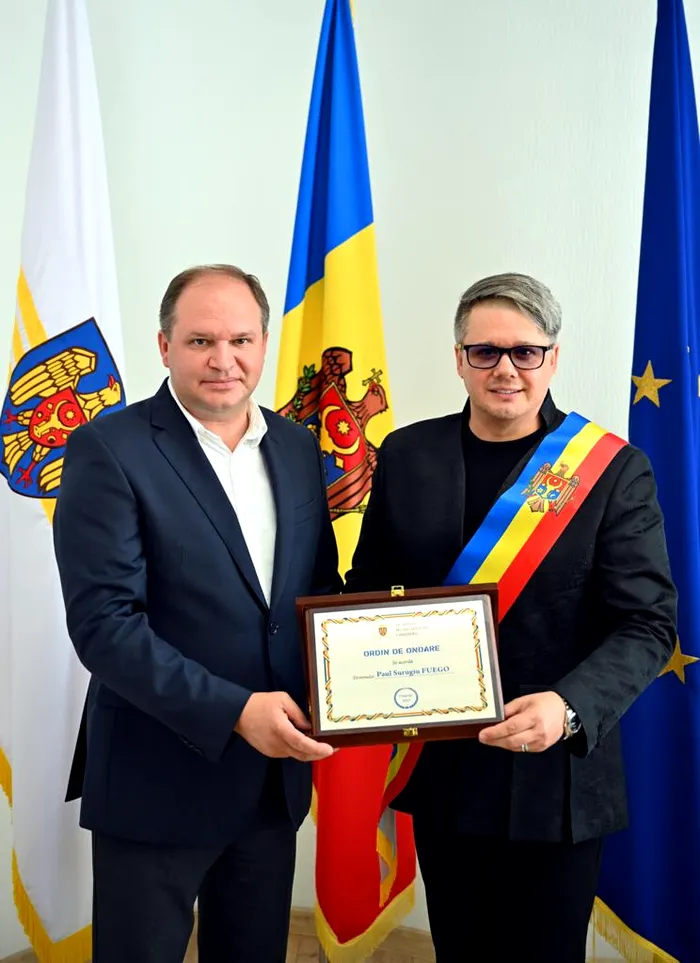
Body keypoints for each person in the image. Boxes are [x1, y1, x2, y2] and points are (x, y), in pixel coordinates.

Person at [345, 273, 677, 963]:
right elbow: (371, 591)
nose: (505, 369)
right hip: (444, 764)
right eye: (485, 351)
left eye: (525, 352)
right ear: (459, 358)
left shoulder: (611, 469)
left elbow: (648, 624)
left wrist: (568, 705)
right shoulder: (407, 454)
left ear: (553, 358)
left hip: (555, 775)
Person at [53, 264, 340, 963]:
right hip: (156, 779)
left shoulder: (298, 446)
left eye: (241, 340)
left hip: (269, 784)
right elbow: (105, 627)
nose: (223, 360)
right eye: (200, 341)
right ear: (164, 346)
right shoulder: (108, 449)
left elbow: (317, 592)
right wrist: (237, 711)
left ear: (264, 343)